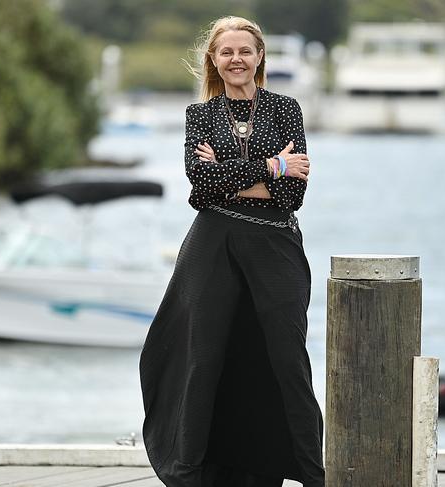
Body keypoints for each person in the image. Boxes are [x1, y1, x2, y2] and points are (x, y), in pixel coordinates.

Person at [139, 16, 325, 487]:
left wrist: (234, 174)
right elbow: (201, 188)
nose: (236, 59)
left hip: (275, 245)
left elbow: (291, 195)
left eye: (245, 51)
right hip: (212, 245)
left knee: (286, 357)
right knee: (204, 355)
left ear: (260, 56)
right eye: (227, 52)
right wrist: (272, 165)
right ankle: (194, 468)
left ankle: (309, 470)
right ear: (214, 61)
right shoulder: (199, 115)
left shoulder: (286, 110)